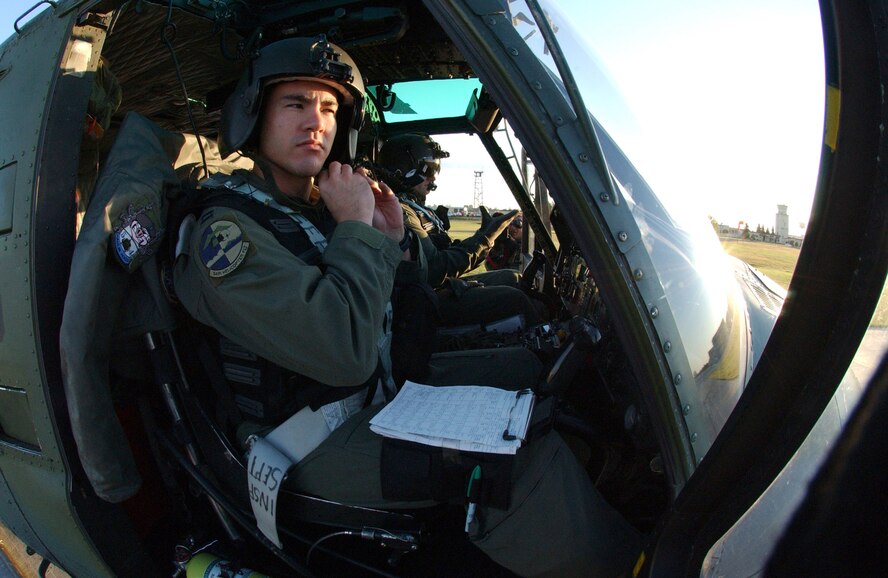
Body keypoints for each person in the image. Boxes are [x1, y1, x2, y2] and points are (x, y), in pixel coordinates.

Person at [172, 36, 641, 577]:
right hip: (304, 446)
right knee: (518, 461)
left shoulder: (312, 214)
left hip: (367, 399)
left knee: (525, 383)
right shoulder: (227, 234)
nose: (316, 122)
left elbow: (399, 319)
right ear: (254, 114)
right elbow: (345, 353)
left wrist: (391, 242)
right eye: (295, 104)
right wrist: (355, 226)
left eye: (329, 108)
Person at [377, 133, 540, 327]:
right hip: (418, 304)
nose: (433, 177)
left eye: (436, 169)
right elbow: (434, 269)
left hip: (429, 290)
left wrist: (483, 239)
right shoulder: (399, 212)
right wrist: (484, 238)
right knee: (516, 300)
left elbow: (443, 255)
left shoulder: (415, 208)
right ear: (402, 169)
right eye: (428, 168)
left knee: (512, 277)